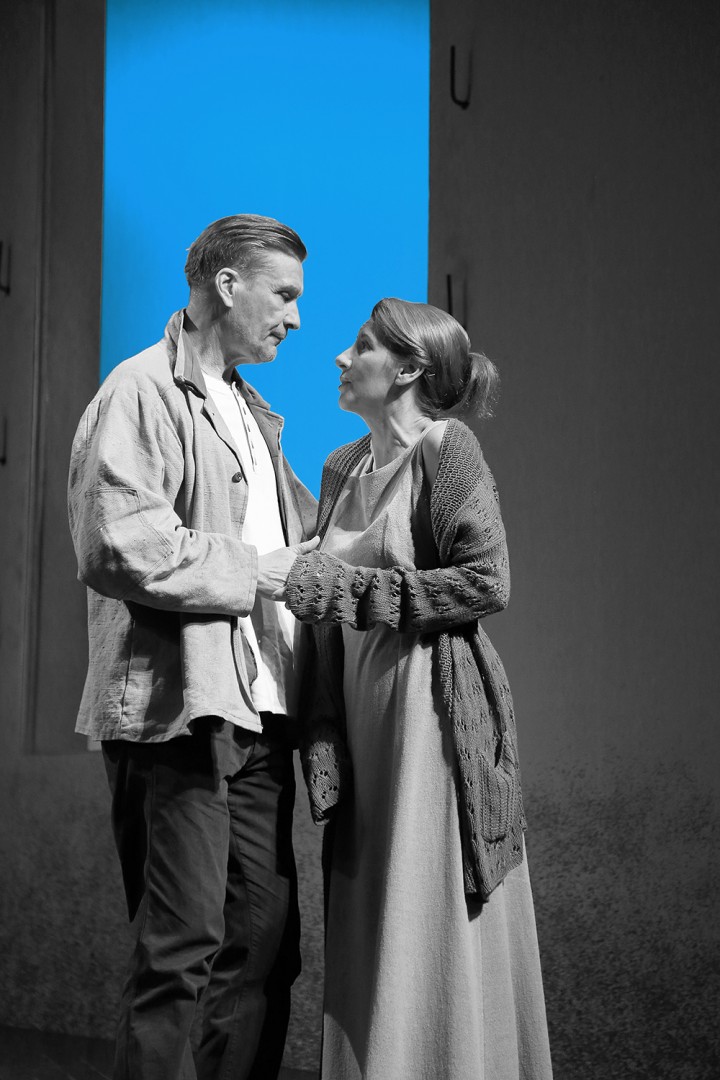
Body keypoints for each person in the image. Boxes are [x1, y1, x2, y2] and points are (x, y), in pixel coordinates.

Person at [67, 214, 319, 1080]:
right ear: (227, 284)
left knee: (263, 949)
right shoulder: (141, 390)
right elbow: (116, 545)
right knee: (181, 953)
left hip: (260, 716)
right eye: (283, 295)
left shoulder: (250, 411)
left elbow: (299, 552)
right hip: (179, 712)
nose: (294, 318)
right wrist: (254, 569)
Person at [282, 298, 554, 1080]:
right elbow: (317, 605)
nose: (342, 358)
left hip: (430, 717)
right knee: (370, 914)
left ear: (407, 369)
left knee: (428, 909)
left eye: (361, 346)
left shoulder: (446, 447)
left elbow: (486, 581)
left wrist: (348, 590)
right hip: (362, 718)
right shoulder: (342, 467)